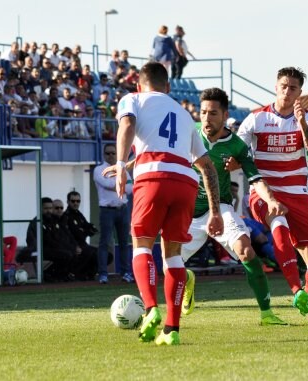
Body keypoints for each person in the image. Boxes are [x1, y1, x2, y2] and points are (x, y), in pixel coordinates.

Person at [112, 62, 223, 345]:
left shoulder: (133, 99)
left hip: (153, 177)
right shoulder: (185, 115)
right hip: (186, 182)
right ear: (169, 88)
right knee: (173, 255)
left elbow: (127, 124)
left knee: (142, 244)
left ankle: (150, 309)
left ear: (139, 86)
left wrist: (122, 163)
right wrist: (215, 212)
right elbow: (207, 168)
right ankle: (172, 330)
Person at [179, 87, 287, 325]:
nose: (207, 118)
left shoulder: (237, 146)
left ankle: (267, 313)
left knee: (247, 251)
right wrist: (126, 165)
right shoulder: (189, 132)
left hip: (221, 208)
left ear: (225, 114)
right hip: (188, 212)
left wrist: (270, 200)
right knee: (169, 266)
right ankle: (186, 278)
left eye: (213, 113)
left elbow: (255, 179)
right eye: (204, 112)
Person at [237, 66, 308, 322]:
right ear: (276, 86)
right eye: (284, 86)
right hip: (264, 193)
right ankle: (296, 289)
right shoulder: (256, 118)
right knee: (277, 219)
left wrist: (300, 124)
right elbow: (237, 151)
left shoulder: (307, 119)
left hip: (298, 195)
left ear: (300, 92)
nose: (287, 91)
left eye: (293, 88)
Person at [93, 144, 133, 284]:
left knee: (124, 243)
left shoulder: (122, 169)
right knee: (105, 242)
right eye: (108, 153)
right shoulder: (99, 169)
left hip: (122, 208)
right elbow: (106, 184)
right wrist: (120, 183)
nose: (110, 155)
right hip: (107, 210)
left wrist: (117, 184)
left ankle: (126, 273)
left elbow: (130, 188)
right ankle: (103, 274)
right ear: (104, 154)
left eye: (113, 153)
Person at [26, 197, 76, 282]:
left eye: (50, 208)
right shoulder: (37, 222)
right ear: (40, 209)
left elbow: (61, 236)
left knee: (71, 252)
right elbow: (42, 240)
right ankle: (47, 274)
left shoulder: (53, 220)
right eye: (46, 208)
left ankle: (59, 275)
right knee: (66, 254)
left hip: (52, 248)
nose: (49, 211)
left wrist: (71, 246)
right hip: (39, 249)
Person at [59, 191, 99, 280]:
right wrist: (84, 231)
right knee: (89, 252)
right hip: (74, 245)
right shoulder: (66, 216)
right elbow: (72, 234)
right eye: (73, 201)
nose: (75, 203)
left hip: (83, 243)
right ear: (68, 202)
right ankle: (75, 274)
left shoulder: (79, 214)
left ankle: (88, 274)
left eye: (78, 201)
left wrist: (84, 231)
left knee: (105, 255)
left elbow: (90, 228)